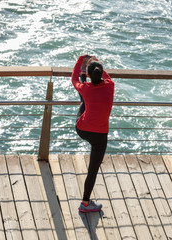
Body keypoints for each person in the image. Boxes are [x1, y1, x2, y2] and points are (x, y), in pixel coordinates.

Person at [71, 54, 114, 212]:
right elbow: (106, 76)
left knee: (84, 97)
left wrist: (81, 60)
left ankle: (85, 77)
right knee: (92, 171)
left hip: (82, 129)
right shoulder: (110, 86)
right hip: (100, 135)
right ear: (101, 74)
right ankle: (85, 203)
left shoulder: (86, 88)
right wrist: (94, 68)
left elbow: (74, 79)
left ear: (90, 76)